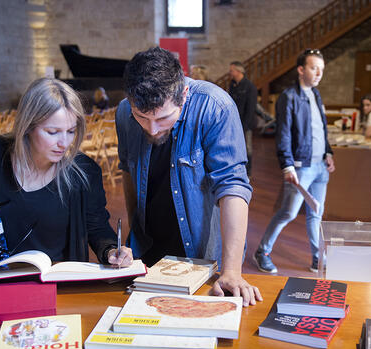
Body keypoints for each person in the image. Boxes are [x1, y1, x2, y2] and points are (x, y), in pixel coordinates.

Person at [116, 47, 262, 306]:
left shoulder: (215, 106)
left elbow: (232, 187)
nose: (152, 128)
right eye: (141, 117)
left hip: (200, 253)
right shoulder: (124, 112)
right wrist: (134, 233)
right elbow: (128, 170)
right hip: (148, 249)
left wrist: (231, 272)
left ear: (183, 94)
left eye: (163, 118)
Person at [0, 78, 132, 269]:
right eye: (53, 132)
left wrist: (111, 251)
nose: (64, 143)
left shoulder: (84, 171)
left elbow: (97, 227)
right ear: (28, 127)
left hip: (58, 282)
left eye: (71, 131)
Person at [254, 48, 335, 273]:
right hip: (301, 167)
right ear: (301, 69)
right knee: (288, 212)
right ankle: (263, 251)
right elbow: (284, 134)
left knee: (316, 214)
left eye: (321, 69)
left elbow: (320, 130)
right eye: (313, 68)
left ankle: (318, 258)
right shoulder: (288, 97)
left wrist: (328, 153)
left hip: (320, 166)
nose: (318, 73)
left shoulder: (316, 94)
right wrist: (287, 165)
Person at [228, 61, 258, 175]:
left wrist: (244, 126)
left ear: (239, 71)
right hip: (234, 122)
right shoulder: (232, 84)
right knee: (235, 146)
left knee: (247, 148)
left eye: (231, 70)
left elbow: (251, 109)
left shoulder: (250, 87)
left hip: (246, 124)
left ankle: (248, 171)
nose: (229, 73)